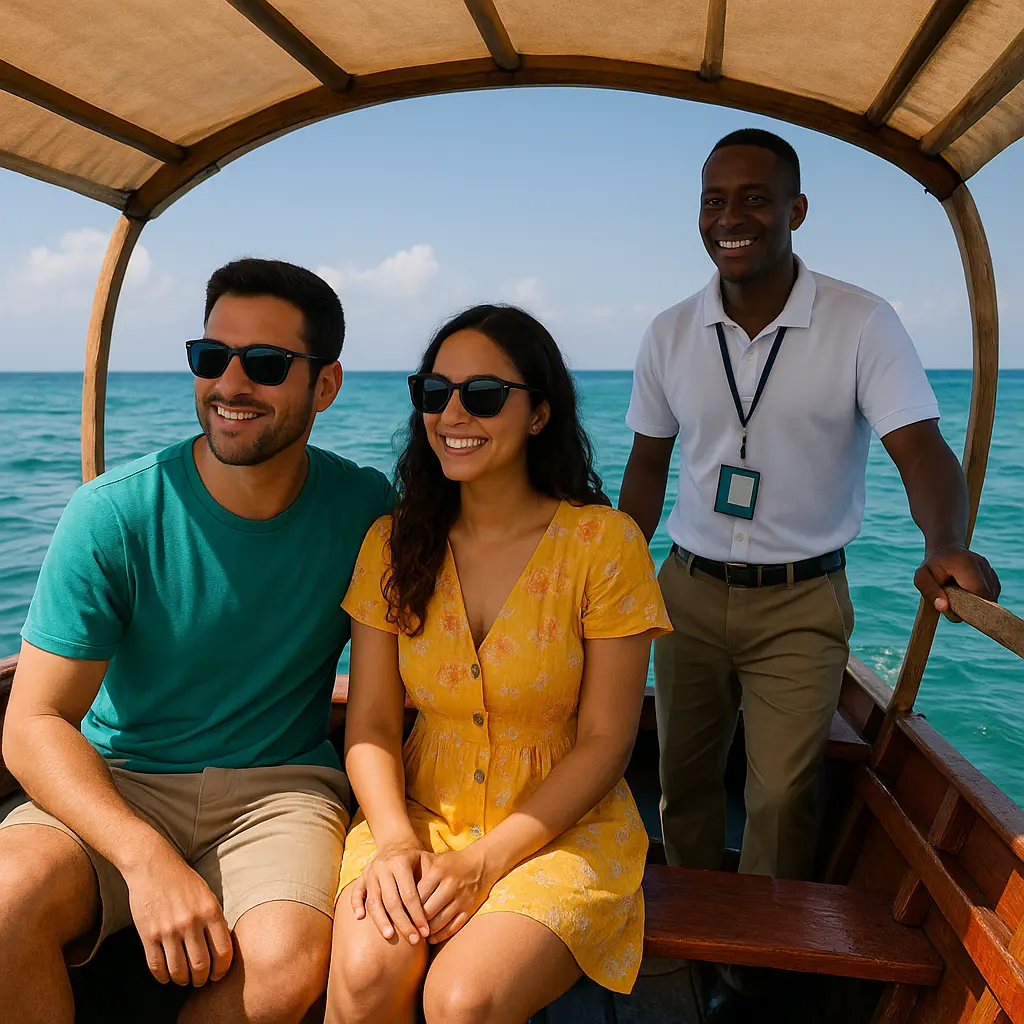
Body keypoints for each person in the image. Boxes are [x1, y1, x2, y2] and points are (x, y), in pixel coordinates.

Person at [0, 258, 392, 1023]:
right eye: (211, 358)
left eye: (267, 364)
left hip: (279, 791)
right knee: (5, 904)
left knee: (286, 970)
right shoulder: (112, 512)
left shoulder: (367, 508)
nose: (231, 385)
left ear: (327, 385)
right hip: (122, 777)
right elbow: (34, 723)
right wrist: (145, 859)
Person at [619, 128, 1000, 882]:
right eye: (714, 201)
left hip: (801, 600)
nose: (731, 218)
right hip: (686, 592)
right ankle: (696, 934)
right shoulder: (668, 332)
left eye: (755, 199)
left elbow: (921, 448)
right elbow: (647, 463)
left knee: (784, 796)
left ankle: (749, 978)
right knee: (681, 781)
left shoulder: (861, 322)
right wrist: (608, 568)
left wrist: (945, 542)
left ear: (796, 208)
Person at [325, 304, 670, 1024]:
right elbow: (374, 722)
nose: (453, 412)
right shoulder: (391, 545)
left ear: (539, 414)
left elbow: (608, 739)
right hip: (418, 816)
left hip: (559, 826)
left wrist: (487, 862)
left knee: (463, 1000)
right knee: (364, 975)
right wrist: (393, 843)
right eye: (434, 392)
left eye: (482, 395)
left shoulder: (603, 546)